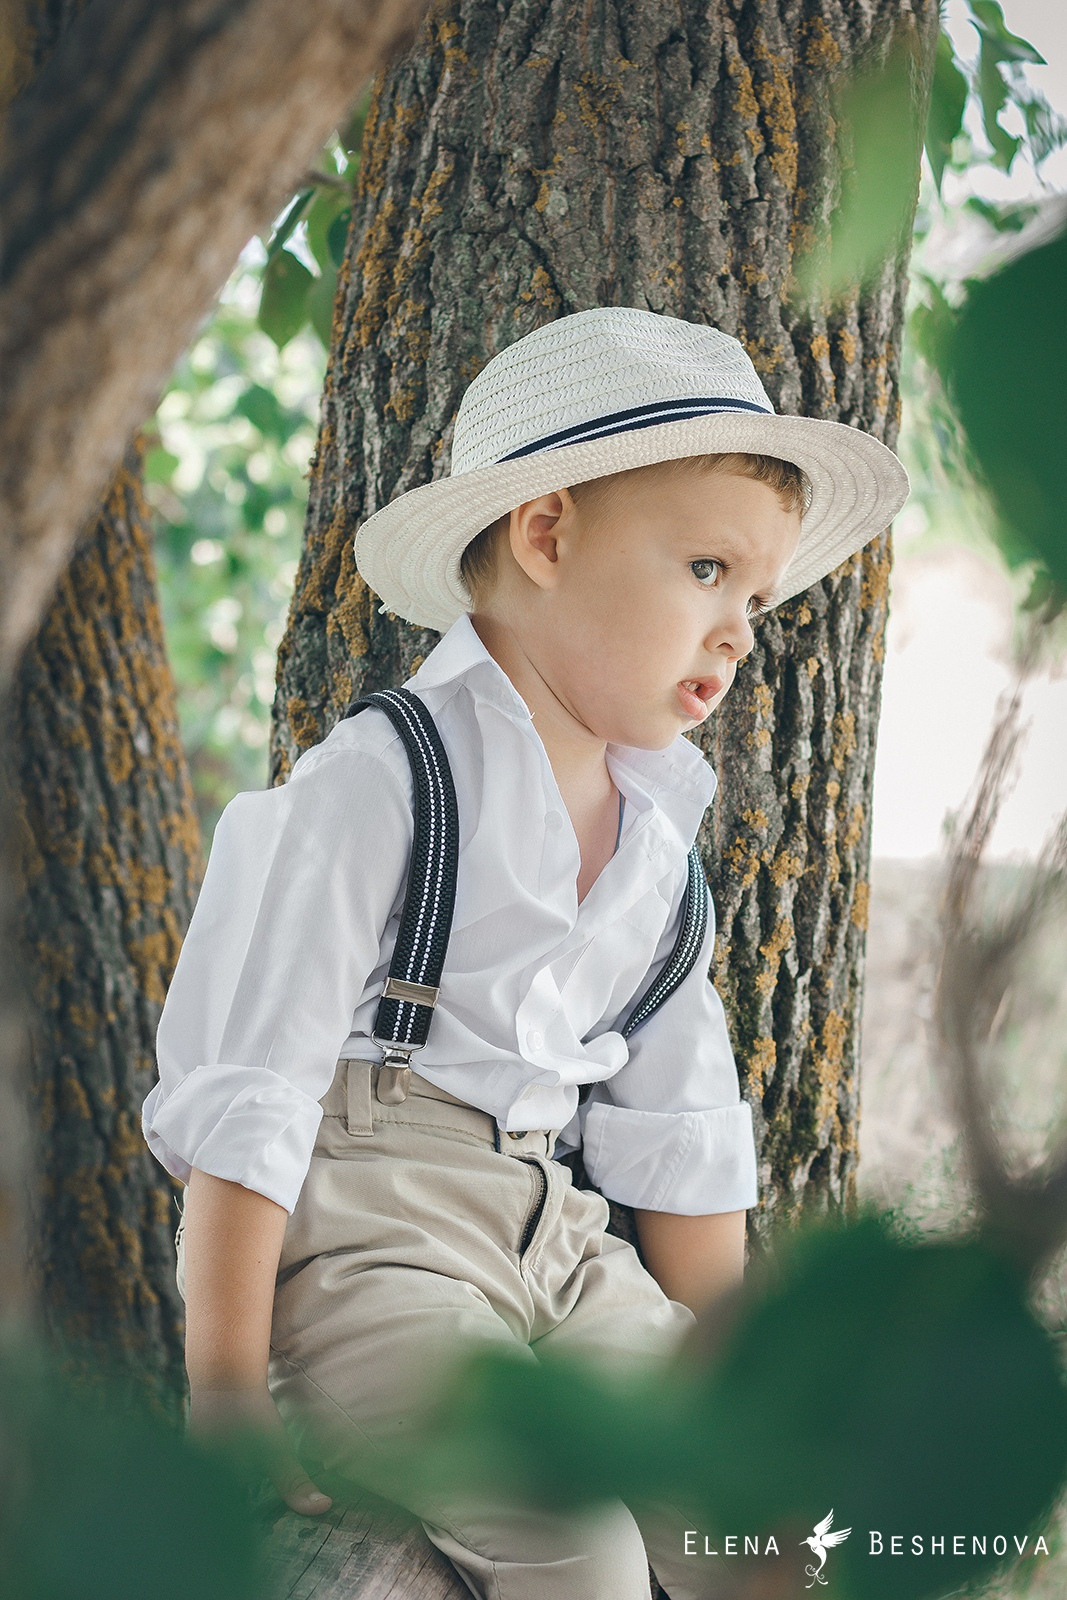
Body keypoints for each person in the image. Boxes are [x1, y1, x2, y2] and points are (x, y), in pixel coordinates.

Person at [141, 306, 908, 1600]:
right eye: (707, 571)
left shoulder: (659, 839)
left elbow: (681, 1127)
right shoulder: (385, 783)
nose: (739, 631)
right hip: (373, 1251)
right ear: (546, 534)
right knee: (581, 1548)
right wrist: (220, 1390)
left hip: (556, 1237)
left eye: (758, 598)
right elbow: (250, 1095)